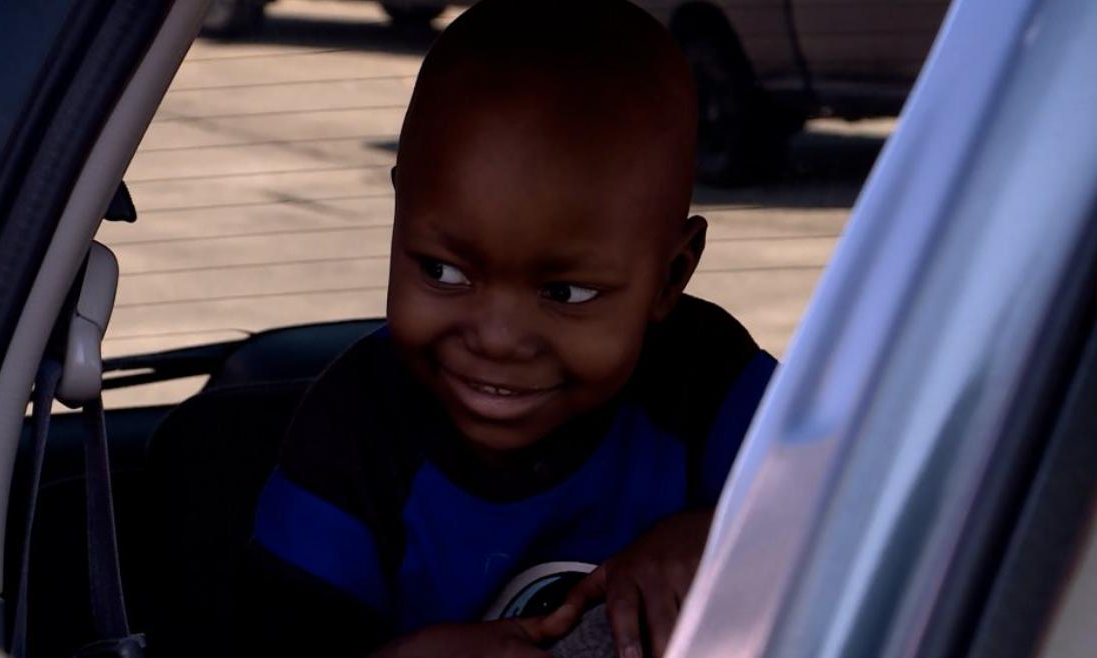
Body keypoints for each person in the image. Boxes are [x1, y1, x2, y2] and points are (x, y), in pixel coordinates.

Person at [243, 1, 776, 656]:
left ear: (671, 277)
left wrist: (720, 534)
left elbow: (866, 520)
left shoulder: (706, 381)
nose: (495, 338)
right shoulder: (353, 437)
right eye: (442, 271)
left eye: (566, 292)